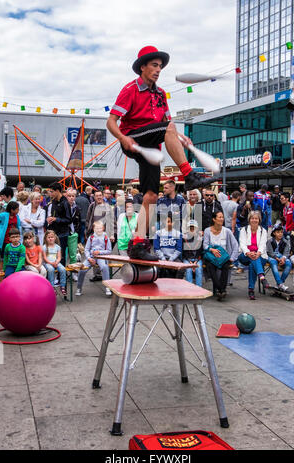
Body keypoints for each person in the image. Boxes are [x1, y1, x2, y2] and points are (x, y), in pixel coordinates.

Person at [107, 45, 218, 260]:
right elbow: (111, 121)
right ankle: (189, 175)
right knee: (168, 129)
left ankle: (138, 244)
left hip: (150, 148)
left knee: (150, 196)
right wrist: (122, 138)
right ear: (142, 67)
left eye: (160, 67)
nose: (158, 70)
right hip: (133, 137)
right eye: (154, 65)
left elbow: (169, 124)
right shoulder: (131, 89)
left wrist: (180, 137)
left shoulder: (160, 94)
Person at [203, 211, 239, 301]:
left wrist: (232, 258)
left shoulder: (227, 231)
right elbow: (205, 245)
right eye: (219, 217)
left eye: (222, 217)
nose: (221, 219)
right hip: (212, 257)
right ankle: (221, 289)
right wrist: (212, 250)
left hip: (223, 257)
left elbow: (235, 245)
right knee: (210, 266)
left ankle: (221, 290)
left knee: (225, 266)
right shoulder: (207, 231)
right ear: (214, 219)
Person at [76, 221, 112, 297]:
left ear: (103, 228)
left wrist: (100, 252)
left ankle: (107, 287)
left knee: (105, 267)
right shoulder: (91, 237)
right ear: (93, 229)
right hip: (91, 257)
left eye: (100, 228)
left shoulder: (106, 238)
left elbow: (109, 250)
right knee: (82, 269)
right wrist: (89, 258)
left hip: (101, 257)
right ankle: (79, 288)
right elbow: (86, 249)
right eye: (97, 228)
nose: (98, 230)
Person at [238, 211, 269, 300]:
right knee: (253, 259)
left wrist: (258, 253)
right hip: (245, 256)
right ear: (249, 220)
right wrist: (248, 253)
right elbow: (242, 244)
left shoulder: (263, 231)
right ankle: (262, 277)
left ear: (259, 220)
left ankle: (251, 289)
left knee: (253, 263)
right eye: (252, 218)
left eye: (256, 218)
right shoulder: (244, 230)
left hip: (260, 256)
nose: (254, 220)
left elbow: (263, 245)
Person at [46, 182, 72, 267]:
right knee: (51, 255)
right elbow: (53, 216)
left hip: (63, 233)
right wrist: (49, 219)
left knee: (61, 255)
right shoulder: (53, 202)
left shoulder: (65, 203)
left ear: (57, 191)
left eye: (52, 192)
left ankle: (61, 277)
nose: (50, 194)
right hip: (53, 232)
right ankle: (53, 275)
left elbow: (69, 219)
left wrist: (56, 219)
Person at [153, 213, 183, 278]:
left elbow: (179, 249)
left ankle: (177, 286)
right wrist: (163, 258)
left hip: (173, 258)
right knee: (156, 269)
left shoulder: (178, 234)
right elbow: (156, 248)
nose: (168, 224)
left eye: (170, 222)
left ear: (174, 223)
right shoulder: (158, 233)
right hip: (161, 258)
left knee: (181, 268)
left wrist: (171, 260)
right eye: (167, 222)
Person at [266, 224, 292, 292]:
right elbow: (269, 252)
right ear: (274, 233)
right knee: (273, 263)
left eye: (281, 232)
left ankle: (280, 283)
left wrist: (283, 258)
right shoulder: (270, 241)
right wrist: (277, 258)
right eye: (278, 232)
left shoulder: (285, 241)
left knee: (289, 264)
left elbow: (286, 252)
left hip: (281, 256)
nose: (280, 234)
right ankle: (280, 283)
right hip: (272, 256)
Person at [42, 230, 67, 296]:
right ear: (46, 238)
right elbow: (44, 258)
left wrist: (57, 262)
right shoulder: (44, 247)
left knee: (63, 269)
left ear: (55, 238)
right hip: (47, 263)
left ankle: (62, 286)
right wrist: (51, 263)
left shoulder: (57, 247)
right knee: (51, 270)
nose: (50, 238)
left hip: (56, 262)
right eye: (48, 237)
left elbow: (59, 257)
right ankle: (52, 286)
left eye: (52, 237)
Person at [0, 201, 21, 265]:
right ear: (11, 210)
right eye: (17, 209)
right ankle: (1, 268)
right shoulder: (4, 215)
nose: (18, 210)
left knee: (11, 252)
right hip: (5, 237)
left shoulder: (16, 216)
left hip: (13, 237)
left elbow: (18, 226)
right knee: (3, 253)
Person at [183, 220, 203, 286]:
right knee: (188, 270)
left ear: (197, 229)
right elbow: (184, 252)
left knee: (199, 270)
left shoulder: (200, 237)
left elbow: (200, 251)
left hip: (197, 259)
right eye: (190, 228)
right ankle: (190, 287)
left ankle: (199, 287)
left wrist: (195, 262)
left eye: (193, 228)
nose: (192, 230)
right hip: (187, 259)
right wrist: (190, 262)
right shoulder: (185, 238)